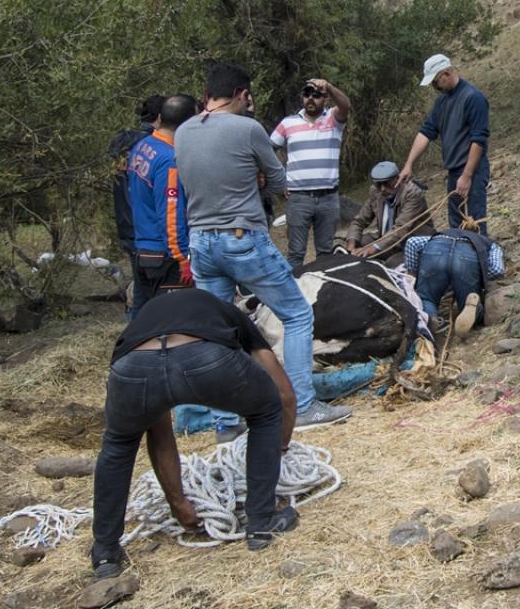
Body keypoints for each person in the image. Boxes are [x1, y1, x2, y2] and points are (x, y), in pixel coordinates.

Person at [175, 62, 350, 440]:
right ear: (241, 93)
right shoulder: (248, 128)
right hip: (242, 238)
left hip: (200, 242)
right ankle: (303, 405)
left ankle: (225, 423)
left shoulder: (184, 131)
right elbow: (277, 182)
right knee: (297, 314)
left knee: (219, 329)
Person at [90, 289, 300, 579]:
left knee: (118, 446)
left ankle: (105, 553)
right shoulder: (231, 313)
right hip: (205, 357)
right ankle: (262, 522)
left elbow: (159, 431)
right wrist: (281, 443)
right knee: (265, 410)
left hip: (133, 369)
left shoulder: (144, 320)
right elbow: (284, 393)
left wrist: (179, 503)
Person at [398, 54, 490, 235]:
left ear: (447, 73)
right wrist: (409, 164)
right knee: (456, 224)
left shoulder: (473, 97)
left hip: (472, 170)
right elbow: (426, 132)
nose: (434, 87)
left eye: (435, 82)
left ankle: (481, 259)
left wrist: (467, 175)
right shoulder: (441, 101)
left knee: (473, 222)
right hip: (454, 170)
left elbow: (478, 140)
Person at [271, 78, 352, 266]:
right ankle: (296, 294)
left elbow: (346, 105)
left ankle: (325, 293)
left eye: (316, 95)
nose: (311, 98)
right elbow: (268, 150)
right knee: (296, 253)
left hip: (328, 197)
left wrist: (329, 87)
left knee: (325, 252)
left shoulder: (333, 118)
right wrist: (280, 179)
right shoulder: (288, 123)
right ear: (302, 97)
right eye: (307, 93)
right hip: (298, 198)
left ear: (325, 98)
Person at [127, 94, 198, 301]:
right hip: (165, 255)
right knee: (172, 322)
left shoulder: (142, 146)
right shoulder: (170, 159)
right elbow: (171, 212)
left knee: (143, 318)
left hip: (143, 248)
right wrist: (182, 258)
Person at [109, 95, 163, 319]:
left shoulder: (125, 145)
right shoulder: (152, 148)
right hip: (146, 231)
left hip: (127, 226)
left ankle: (134, 336)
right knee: (149, 295)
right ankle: (137, 338)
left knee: (142, 292)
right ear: (160, 118)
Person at [404, 228, 503, 336]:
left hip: (436, 249)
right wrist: (479, 275)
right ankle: (472, 308)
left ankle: (430, 317)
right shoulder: (488, 243)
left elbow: (412, 242)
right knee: (467, 301)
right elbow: (497, 270)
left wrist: (412, 273)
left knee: (426, 298)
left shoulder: (445, 233)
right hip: (468, 258)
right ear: (478, 232)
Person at [346, 160, 436, 266]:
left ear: (398, 179)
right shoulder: (375, 191)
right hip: (387, 241)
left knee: (392, 263)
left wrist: (372, 249)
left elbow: (401, 229)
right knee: (358, 242)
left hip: (410, 243)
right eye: (379, 184)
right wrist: (351, 247)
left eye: (387, 183)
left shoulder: (413, 194)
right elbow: (359, 221)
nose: (383, 188)